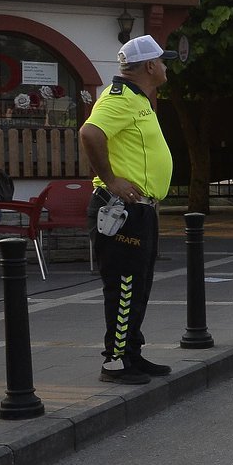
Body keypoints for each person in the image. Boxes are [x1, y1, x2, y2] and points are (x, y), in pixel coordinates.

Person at [80, 34, 179, 387]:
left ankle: (131, 352)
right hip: (120, 208)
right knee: (124, 286)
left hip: (139, 209)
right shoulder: (120, 99)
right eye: (162, 62)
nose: (166, 67)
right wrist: (110, 180)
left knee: (137, 287)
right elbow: (90, 133)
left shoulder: (138, 99)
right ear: (150, 66)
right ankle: (116, 361)